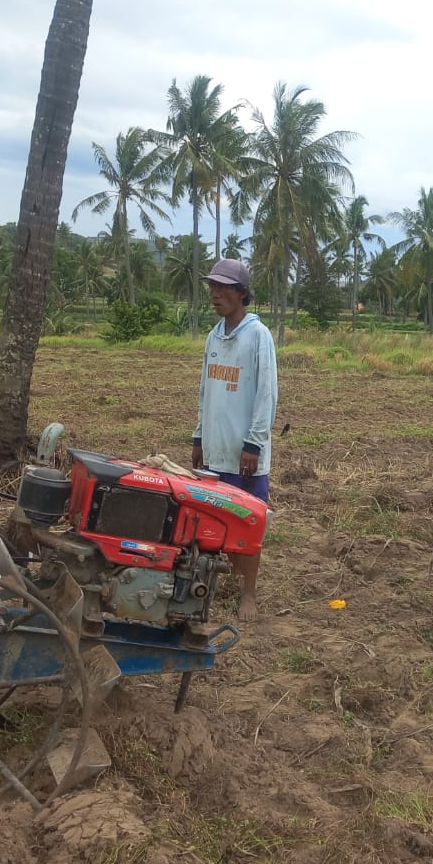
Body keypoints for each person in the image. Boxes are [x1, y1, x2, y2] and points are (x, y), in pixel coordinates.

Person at [191, 259, 278, 619]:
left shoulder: (258, 336)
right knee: (212, 522)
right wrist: (199, 437)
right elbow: (205, 391)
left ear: (241, 293)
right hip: (215, 451)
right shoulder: (214, 336)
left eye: (223, 288)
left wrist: (254, 443)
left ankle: (248, 595)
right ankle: (212, 585)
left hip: (245, 454)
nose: (215, 294)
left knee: (249, 522)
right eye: (212, 287)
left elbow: (266, 394)